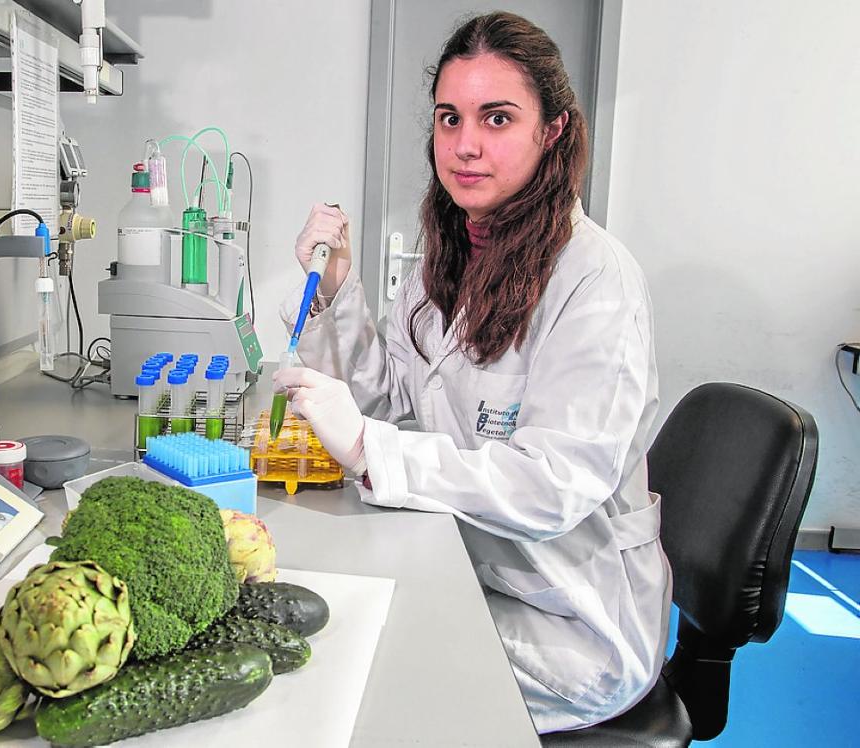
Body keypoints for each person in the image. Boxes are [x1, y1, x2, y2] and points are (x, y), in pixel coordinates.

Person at [275, 11, 670, 734]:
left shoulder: (596, 280)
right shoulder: (447, 260)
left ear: (551, 131)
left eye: (497, 118)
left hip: (567, 618)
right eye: (449, 118)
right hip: (467, 564)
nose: (464, 145)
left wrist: (370, 450)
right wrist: (334, 291)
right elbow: (393, 402)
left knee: (340, 662)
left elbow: (554, 484)